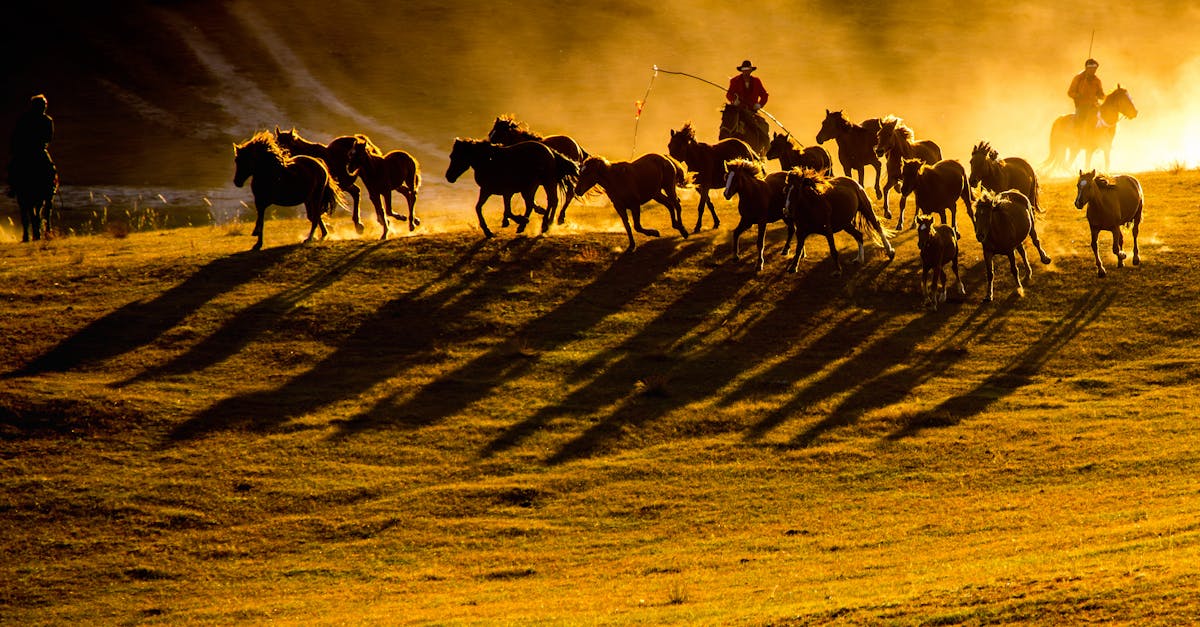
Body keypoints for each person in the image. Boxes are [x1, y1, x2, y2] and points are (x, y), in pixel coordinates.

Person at [7, 94, 55, 198]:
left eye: (44, 105)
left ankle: (50, 192)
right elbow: (17, 134)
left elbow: (48, 137)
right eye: (42, 105)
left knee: (50, 170)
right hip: (29, 149)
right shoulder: (27, 119)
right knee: (14, 167)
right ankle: (13, 187)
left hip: (36, 149)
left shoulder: (46, 120)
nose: (44, 107)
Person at [726, 60, 769, 144]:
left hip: (752, 111)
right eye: (744, 70)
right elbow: (729, 94)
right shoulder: (734, 81)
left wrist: (759, 105)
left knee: (764, 126)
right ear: (742, 71)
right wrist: (734, 101)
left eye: (748, 70)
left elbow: (764, 95)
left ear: (751, 71)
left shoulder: (757, 81)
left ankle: (765, 145)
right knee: (727, 125)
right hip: (738, 110)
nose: (746, 72)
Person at [1067, 59, 1105, 137]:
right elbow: (1070, 92)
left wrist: (1103, 96)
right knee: (1080, 120)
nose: (1094, 71)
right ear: (1087, 68)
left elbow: (1100, 94)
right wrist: (1078, 96)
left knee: (1103, 116)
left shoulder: (1097, 80)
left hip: (1094, 105)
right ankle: (1077, 137)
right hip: (1081, 105)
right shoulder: (1079, 78)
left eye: (1095, 69)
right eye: (1092, 68)